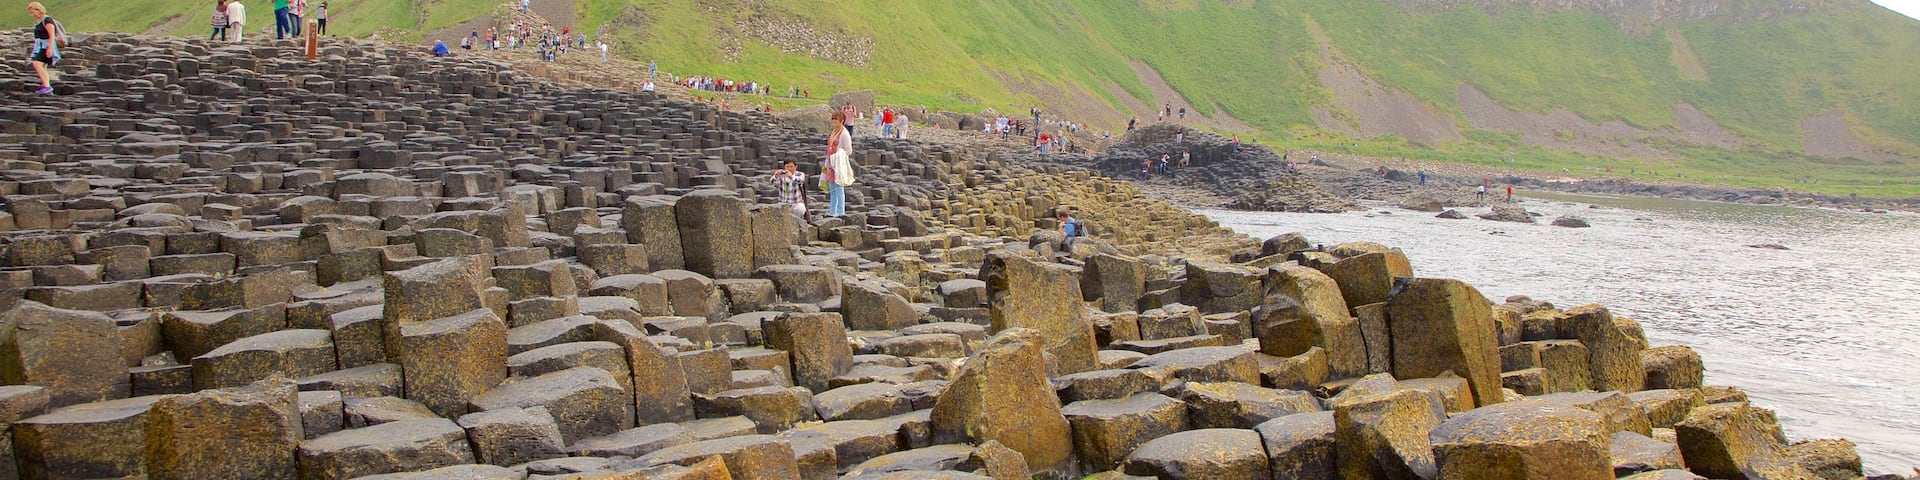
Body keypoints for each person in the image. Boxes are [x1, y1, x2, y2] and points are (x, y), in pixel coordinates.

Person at [824, 111, 855, 216]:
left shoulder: (845, 134)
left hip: (838, 164)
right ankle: (833, 211)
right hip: (830, 162)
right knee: (832, 189)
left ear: (842, 120)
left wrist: (838, 155)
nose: (834, 121)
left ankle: (841, 212)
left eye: (836, 119)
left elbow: (848, 151)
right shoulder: (834, 131)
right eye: (833, 119)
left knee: (839, 188)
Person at [24, 2, 60, 95]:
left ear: (38, 10)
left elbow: (52, 35)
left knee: (37, 63)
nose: (32, 15)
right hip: (40, 46)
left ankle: (47, 86)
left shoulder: (47, 20)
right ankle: (46, 86)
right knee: (42, 66)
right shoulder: (39, 21)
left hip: (46, 46)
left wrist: (50, 48)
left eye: (33, 12)